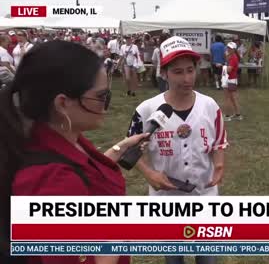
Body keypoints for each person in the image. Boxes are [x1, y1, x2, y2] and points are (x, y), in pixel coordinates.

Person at [0, 40, 150, 264]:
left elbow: (83, 171)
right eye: (101, 97)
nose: (106, 105)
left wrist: (119, 149)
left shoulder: (62, 138)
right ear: (62, 104)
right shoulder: (55, 181)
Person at [126, 36, 227, 264]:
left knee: (208, 259)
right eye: (178, 72)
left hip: (205, 197)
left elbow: (219, 140)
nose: (186, 78)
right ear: (164, 73)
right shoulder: (147, 109)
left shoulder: (210, 106)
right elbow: (129, 147)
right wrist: (149, 173)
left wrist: (219, 165)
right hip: (167, 201)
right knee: (174, 259)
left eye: (190, 70)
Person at [223, 42, 243, 121]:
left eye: (230, 48)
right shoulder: (231, 57)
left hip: (230, 79)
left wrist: (223, 67)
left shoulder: (233, 58)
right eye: (228, 47)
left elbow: (229, 70)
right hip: (231, 79)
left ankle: (227, 116)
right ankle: (238, 115)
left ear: (234, 49)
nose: (228, 49)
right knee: (232, 98)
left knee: (228, 98)